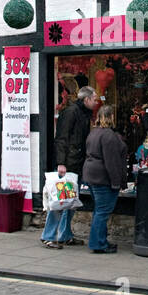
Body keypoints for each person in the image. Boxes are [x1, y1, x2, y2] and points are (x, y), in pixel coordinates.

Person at [42, 86, 97, 248]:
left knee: (70, 202)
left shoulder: (84, 114)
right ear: (86, 99)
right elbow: (61, 138)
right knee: (59, 201)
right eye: (94, 99)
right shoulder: (71, 112)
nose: (95, 102)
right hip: (67, 165)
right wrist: (61, 163)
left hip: (77, 163)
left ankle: (65, 235)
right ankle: (49, 236)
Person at [82, 104, 129, 254]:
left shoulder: (93, 133)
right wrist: (118, 182)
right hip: (102, 178)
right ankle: (98, 243)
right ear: (111, 117)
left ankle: (101, 241)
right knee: (102, 212)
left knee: (99, 210)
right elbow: (112, 162)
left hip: (91, 175)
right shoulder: (108, 135)